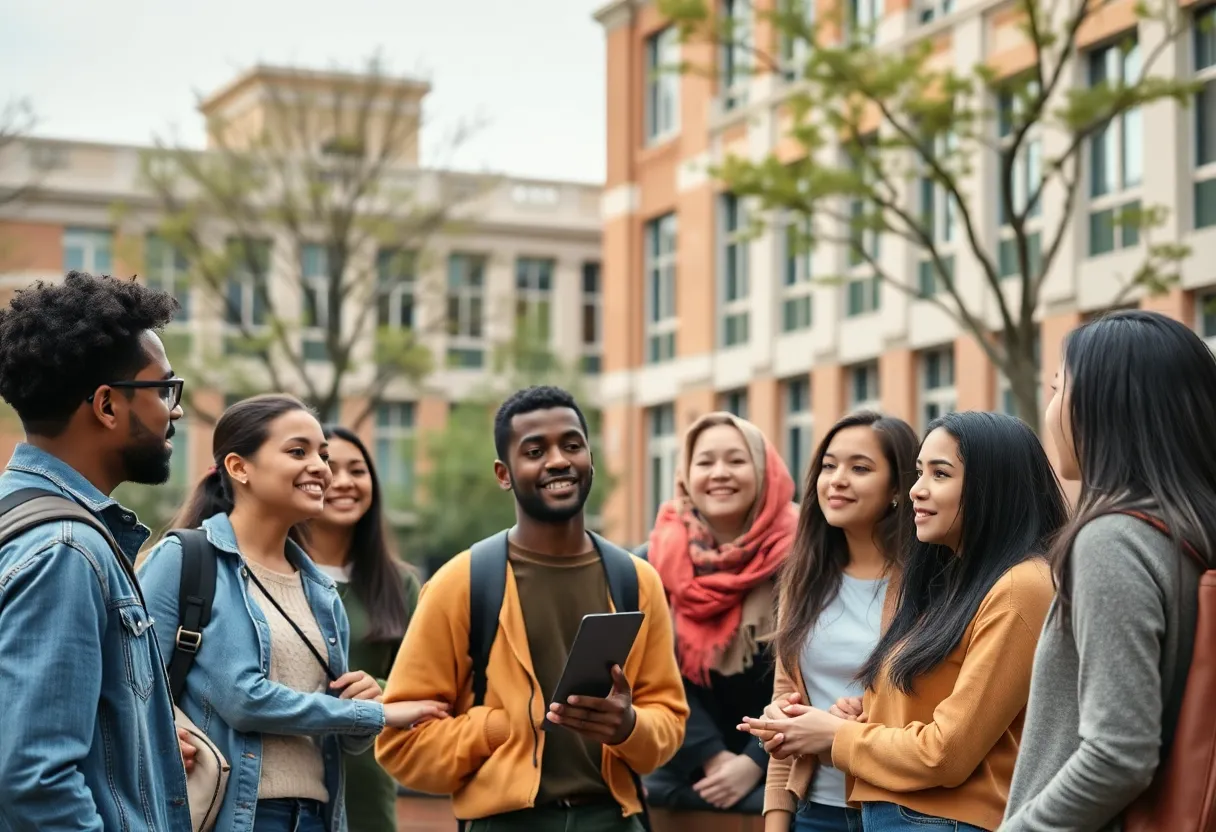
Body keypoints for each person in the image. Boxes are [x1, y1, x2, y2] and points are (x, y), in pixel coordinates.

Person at [376, 385, 689, 832]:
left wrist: (629, 726)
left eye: (572, 445)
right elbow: (400, 744)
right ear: (504, 474)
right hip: (503, 823)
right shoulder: (459, 583)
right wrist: (496, 730)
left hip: (613, 819)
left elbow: (669, 720)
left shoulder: (637, 580)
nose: (558, 460)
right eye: (535, 450)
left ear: (591, 460)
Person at [741, 411, 1067, 832]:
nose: (918, 490)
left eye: (940, 474)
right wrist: (859, 713)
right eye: (919, 473)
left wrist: (835, 736)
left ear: (993, 487)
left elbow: (946, 752)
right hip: (890, 812)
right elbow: (934, 705)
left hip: (939, 820)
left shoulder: (1020, 586)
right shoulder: (957, 578)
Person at [138, 394, 449, 832]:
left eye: (321, 454)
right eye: (298, 452)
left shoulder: (320, 591)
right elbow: (236, 697)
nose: (321, 468)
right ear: (238, 467)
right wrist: (378, 714)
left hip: (319, 815)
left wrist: (363, 703)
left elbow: (344, 740)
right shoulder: (185, 558)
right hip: (231, 814)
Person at [1002, 310, 1216, 831]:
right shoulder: (1192, 529)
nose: (1051, 410)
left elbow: (1119, 754)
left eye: (1059, 388)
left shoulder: (1114, 541)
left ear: (1106, 406)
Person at [0, 272, 192, 830]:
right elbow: (34, 779)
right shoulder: (68, 550)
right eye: (163, 389)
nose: (173, 410)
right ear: (108, 406)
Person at [762, 411, 918, 832]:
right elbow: (787, 704)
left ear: (898, 488)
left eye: (860, 468)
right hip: (815, 811)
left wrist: (859, 720)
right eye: (829, 466)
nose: (838, 479)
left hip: (900, 811)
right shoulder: (803, 578)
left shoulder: (931, 587)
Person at [641, 412, 799, 816]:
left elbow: (812, 671)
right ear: (685, 474)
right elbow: (648, 672)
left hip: (786, 759)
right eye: (705, 461)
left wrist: (754, 761)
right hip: (685, 766)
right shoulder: (651, 562)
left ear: (763, 470)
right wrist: (712, 758)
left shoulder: (806, 556)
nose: (720, 473)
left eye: (736, 460)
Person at [307, 424, 422, 832]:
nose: (343, 482)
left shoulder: (400, 584)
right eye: (327, 467)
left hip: (366, 791)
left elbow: (427, 690)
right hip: (276, 784)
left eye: (357, 470)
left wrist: (381, 691)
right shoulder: (269, 572)